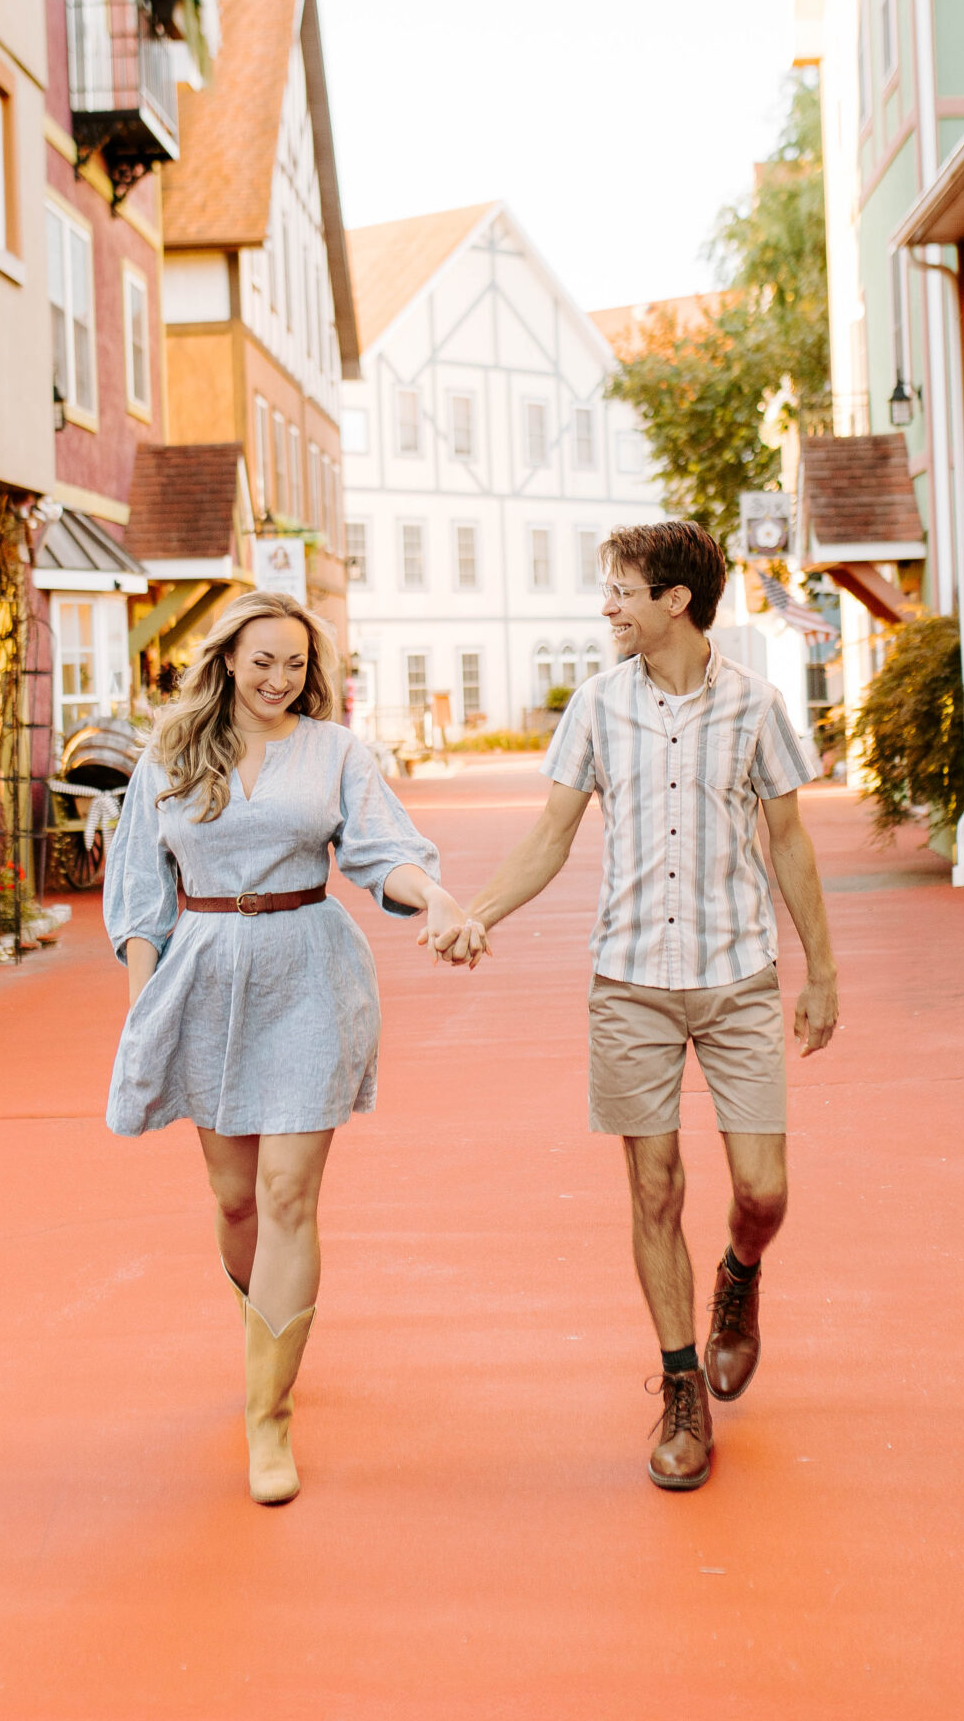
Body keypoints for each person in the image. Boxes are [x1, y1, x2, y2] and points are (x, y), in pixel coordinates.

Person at [437, 522, 840, 1491]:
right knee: (653, 1187)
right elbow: (550, 834)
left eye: (622, 590)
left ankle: (737, 1279)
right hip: (628, 982)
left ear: (676, 602)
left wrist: (821, 973)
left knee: (763, 1190)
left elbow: (789, 841)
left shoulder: (755, 706)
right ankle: (680, 1384)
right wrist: (476, 913)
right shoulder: (595, 706)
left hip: (738, 977)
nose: (607, 605)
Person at [104, 591, 469, 1505]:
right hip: (202, 974)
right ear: (227, 657)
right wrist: (147, 996)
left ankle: (267, 1415)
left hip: (308, 971)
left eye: (296, 665)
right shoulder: (172, 752)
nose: (279, 679)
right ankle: (267, 1335)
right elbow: (140, 890)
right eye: (262, 660)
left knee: (286, 1193)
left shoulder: (336, 752)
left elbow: (384, 850)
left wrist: (438, 899)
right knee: (235, 1202)